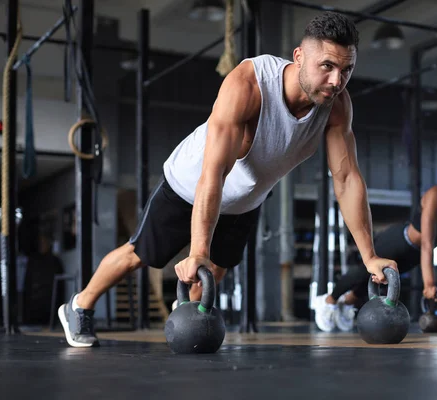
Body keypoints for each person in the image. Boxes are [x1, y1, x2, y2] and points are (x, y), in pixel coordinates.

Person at [58, 12, 398, 348]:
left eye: (346, 69)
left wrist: (369, 256)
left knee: (216, 269)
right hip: (190, 186)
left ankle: (188, 315)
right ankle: (80, 305)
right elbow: (214, 172)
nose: (337, 81)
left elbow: (347, 177)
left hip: (246, 199)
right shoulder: (249, 84)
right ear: (299, 56)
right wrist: (198, 249)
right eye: (327, 66)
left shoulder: (336, 106)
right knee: (140, 255)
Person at [314, 143, 437, 332]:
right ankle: (328, 302)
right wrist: (429, 284)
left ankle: (345, 304)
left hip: (415, 254)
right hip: (400, 241)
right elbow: (427, 241)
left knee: (373, 284)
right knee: (362, 272)